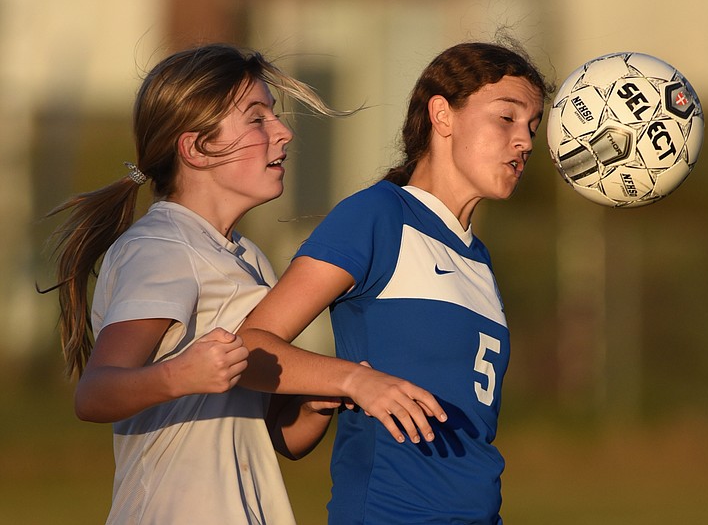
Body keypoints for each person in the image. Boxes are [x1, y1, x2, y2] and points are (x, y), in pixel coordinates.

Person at [44, 43, 445, 525]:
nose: (284, 132)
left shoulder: (248, 258)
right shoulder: (160, 246)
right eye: (257, 118)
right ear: (195, 148)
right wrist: (179, 375)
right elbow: (94, 394)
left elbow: (280, 438)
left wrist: (318, 403)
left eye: (273, 115)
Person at [236, 40, 554, 524]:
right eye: (506, 118)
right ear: (442, 116)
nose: (526, 141)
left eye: (532, 126)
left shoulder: (480, 260)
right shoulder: (378, 215)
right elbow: (250, 347)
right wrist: (351, 380)